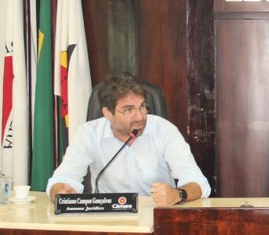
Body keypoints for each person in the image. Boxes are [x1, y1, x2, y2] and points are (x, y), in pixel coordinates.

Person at [47, 72, 211, 205]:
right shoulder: (89, 134)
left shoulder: (164, 130)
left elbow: (198, 183)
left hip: (157, 218)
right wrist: (61, 192)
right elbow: (62, 179)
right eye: (128, 110)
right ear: (108, 113)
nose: (140, 116)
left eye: (142, 107)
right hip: (110, 221)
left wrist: (177, 194)